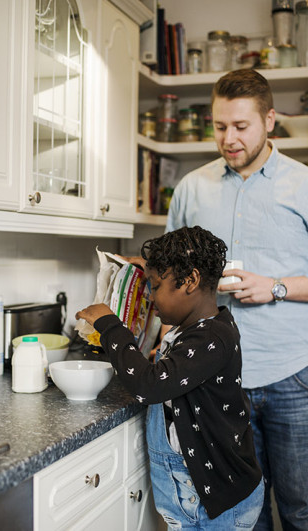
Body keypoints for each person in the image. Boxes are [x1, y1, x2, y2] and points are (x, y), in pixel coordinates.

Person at [166, 69, 308, 530]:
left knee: (301, 509)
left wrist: (277, 285)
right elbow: (170, 279)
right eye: (219, 126)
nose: (228, 138)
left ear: (270, 119)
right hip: (215, 380)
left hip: (293, 375)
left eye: (241, 126)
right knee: (242, 516)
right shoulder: (191, 188)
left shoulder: (303, 185)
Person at [76, 225, 264, 530]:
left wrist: (110, 325)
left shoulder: (211, 338)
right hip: (197, 496)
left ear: (190, 281)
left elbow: (150, 385)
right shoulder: (199, 330)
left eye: (156, 285)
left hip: (217, 506)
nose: (150, 296)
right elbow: (172, 371)